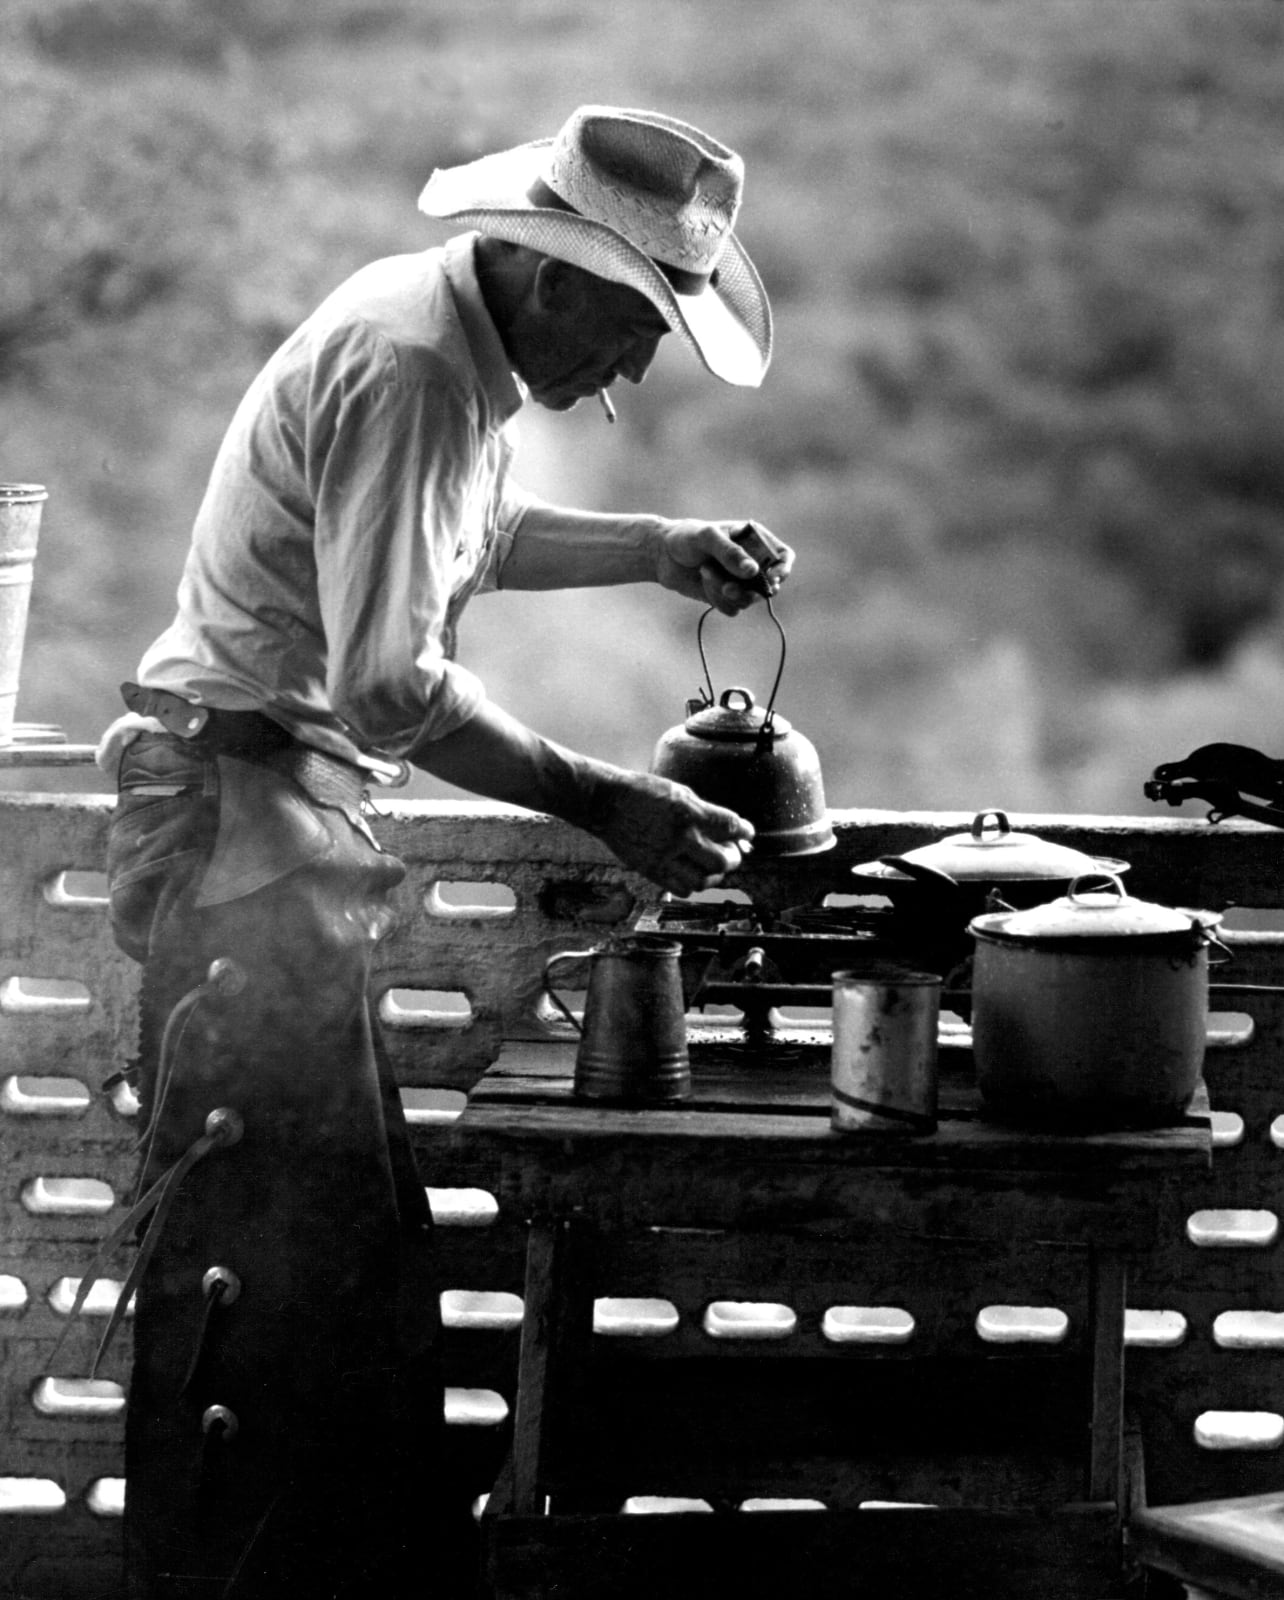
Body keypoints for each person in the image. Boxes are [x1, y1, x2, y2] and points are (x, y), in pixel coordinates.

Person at [91, 104, 791, 1598]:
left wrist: (655, 543)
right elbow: (393, 692)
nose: (618, 382)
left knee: (319, 1284)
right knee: (265, 1296)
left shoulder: (445, 350)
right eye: (625, 343)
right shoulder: (417, 373)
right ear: (554, 280)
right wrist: (608, 801)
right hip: (243, 850)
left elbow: (471, 531)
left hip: (279, 844)